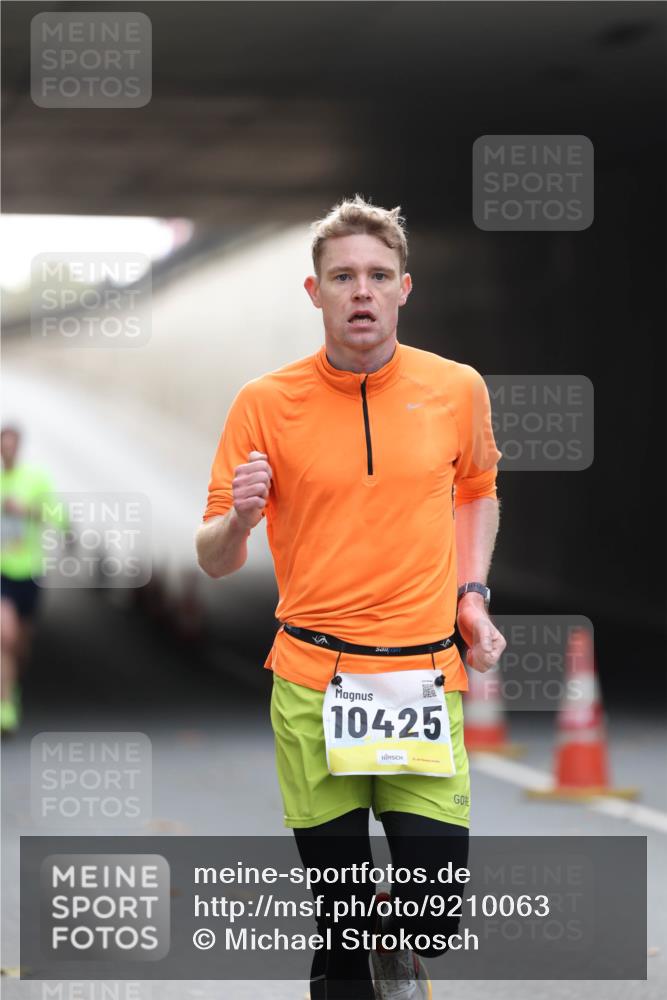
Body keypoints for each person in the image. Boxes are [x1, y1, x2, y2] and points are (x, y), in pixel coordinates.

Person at [196, 196, 506, 999]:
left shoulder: (455, 388)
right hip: (312, 685)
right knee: (338, 929)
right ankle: (355, 948)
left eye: (376, 275)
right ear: (314, 293)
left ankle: (386, 934)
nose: (360, 291)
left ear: (405, 287)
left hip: (421, 681)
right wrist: (239, 518)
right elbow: (214, 560)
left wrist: (470, 592)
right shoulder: (265, 403)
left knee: (433, 912)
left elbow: (476, 488)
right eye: (342, 277)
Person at [0, 426, 56, 734]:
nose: (7, 451)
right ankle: (5, 705)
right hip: (1, 573)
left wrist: (27, 510)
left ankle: (14, 685)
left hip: (30, 572)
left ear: (18, 447)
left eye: (12, 445)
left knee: (21, 644)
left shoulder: (35, 479)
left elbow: (58, 515)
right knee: (4, 636)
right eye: (3, 446)